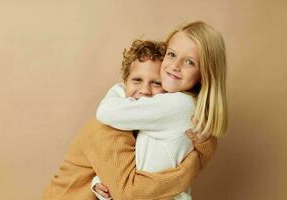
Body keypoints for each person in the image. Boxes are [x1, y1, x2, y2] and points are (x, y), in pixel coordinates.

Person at [43, 27, 218, 200]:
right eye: (136, 80)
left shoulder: (153, 118)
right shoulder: (107, 128)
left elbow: (121, 171)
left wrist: (99, 182)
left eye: (157, 83)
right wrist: (189, 169)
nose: (145, 91)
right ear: (124, 82)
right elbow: (128, 193)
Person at [93, 21, 227, 200]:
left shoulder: (178, 104)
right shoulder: (182, 105)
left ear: (205, 74)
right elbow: (139, 159)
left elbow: (106, 112)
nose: (175, 66)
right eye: (171, 54)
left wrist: (119, 89)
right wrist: (99, 182)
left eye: (189, 62)